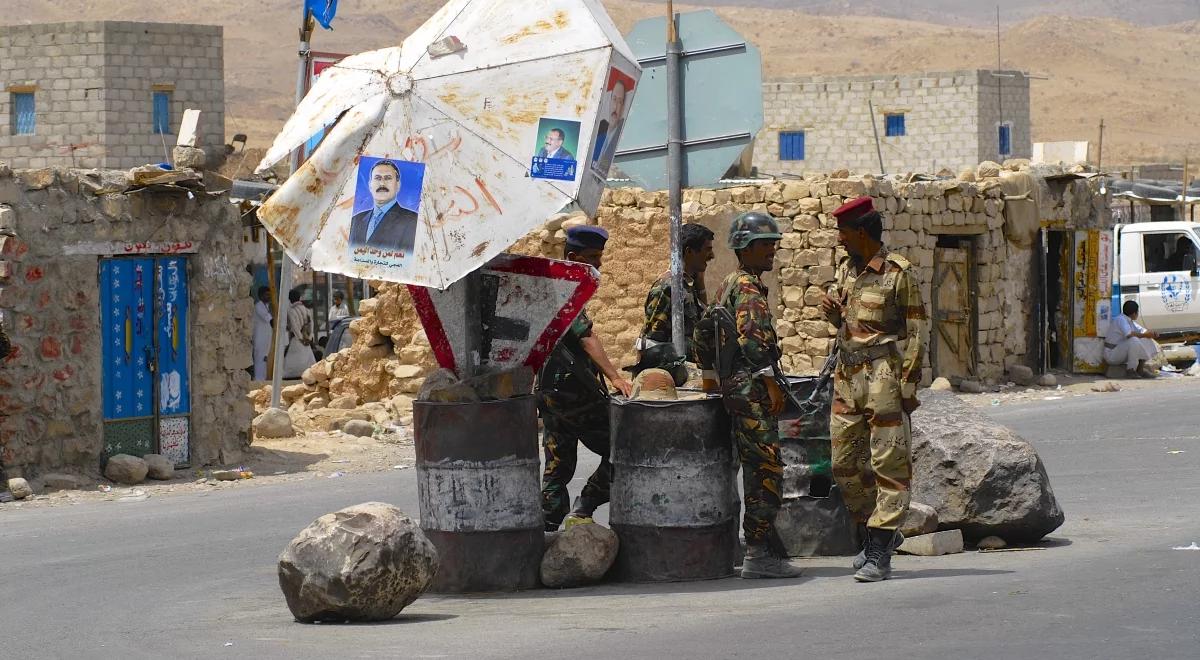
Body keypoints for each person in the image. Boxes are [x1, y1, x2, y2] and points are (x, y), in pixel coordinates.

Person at [820, 196, 927, 583]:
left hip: (883, 372)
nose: (839, 239)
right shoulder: (846, 272)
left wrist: (909, 384)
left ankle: (880, 549)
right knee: (844, 463)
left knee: (889, 463)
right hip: (847, 375)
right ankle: (875, 530)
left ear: (861, 233)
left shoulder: (899, 273)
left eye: (843, 232)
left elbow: (916, 332)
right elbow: (843, 322)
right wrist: (833, 313)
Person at [701, 211, 803, 579]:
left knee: (753, 465)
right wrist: (771, 383)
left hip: (737, 389)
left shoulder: (731, 282)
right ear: (745, 246)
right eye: (765, 244)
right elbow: (755, 344)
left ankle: (756, 545)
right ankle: (758, 553)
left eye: (773, 243)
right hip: (751, 390)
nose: (772, 250)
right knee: (766, 469)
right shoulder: (746, 288)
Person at [536, 225, 633, 531]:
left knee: (557, 465)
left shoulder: (547, 288)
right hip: (574, 393)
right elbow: (586, 338)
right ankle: (585, 506)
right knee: (623, 449)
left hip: (551, 393)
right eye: (593, 258)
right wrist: (616, 378)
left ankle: (547, 530)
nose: (600, 265)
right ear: (573, 257)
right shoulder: (562, 290)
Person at [629, 223, 715, 384]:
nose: (712, 256)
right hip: (668, 378)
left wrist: (701, 283)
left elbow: (702, 319)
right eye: (707, 249)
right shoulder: (668, 287)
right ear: (689, 252)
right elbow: (650, 340)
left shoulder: (688, 284)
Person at [349, 160, 419, 254]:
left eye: (388, 178)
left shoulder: (413, 221)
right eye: (377, 178)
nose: (382, 183)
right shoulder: (356, 220)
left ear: (398, 185)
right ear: (370, 185)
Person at [1105, 300, 1160, 378]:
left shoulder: (1129, 321)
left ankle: (1140, 369)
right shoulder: (1120, 319)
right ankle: (1131, 370)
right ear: (1134, 313)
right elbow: (1129, 334)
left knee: (1145, 338)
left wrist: (1151, 334)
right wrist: (1144, 335)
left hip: (1120, 352)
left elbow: (1143, 331)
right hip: (1112, 354)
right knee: (1133, 340)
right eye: (1137, 312)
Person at [592, 77, 628, 172]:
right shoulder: (597, 129)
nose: (615, 106)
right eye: (614, 99)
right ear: (609, 101)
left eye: (620, 102)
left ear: (623, 107)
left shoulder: (621, 138)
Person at [283, 288, 316, 379]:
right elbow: (311, 324)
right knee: (307, 359)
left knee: (292, 360)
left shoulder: (291, 311)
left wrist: (300, 338)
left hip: (298, 339)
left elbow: (294, 326)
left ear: (290, 299)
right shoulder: (306, 309)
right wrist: (309, 338)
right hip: (306, 339)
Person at [252, 286, 273, 380]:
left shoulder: (266, 306)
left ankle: (263, 381)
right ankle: (258, 382)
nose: (269, 297)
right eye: (266, 295)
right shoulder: (258, 306)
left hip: (266, 338)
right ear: (261, 296)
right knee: (260, 361)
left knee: (265, 360)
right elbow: (269, 319)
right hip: (260, 339)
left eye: (269, 295)